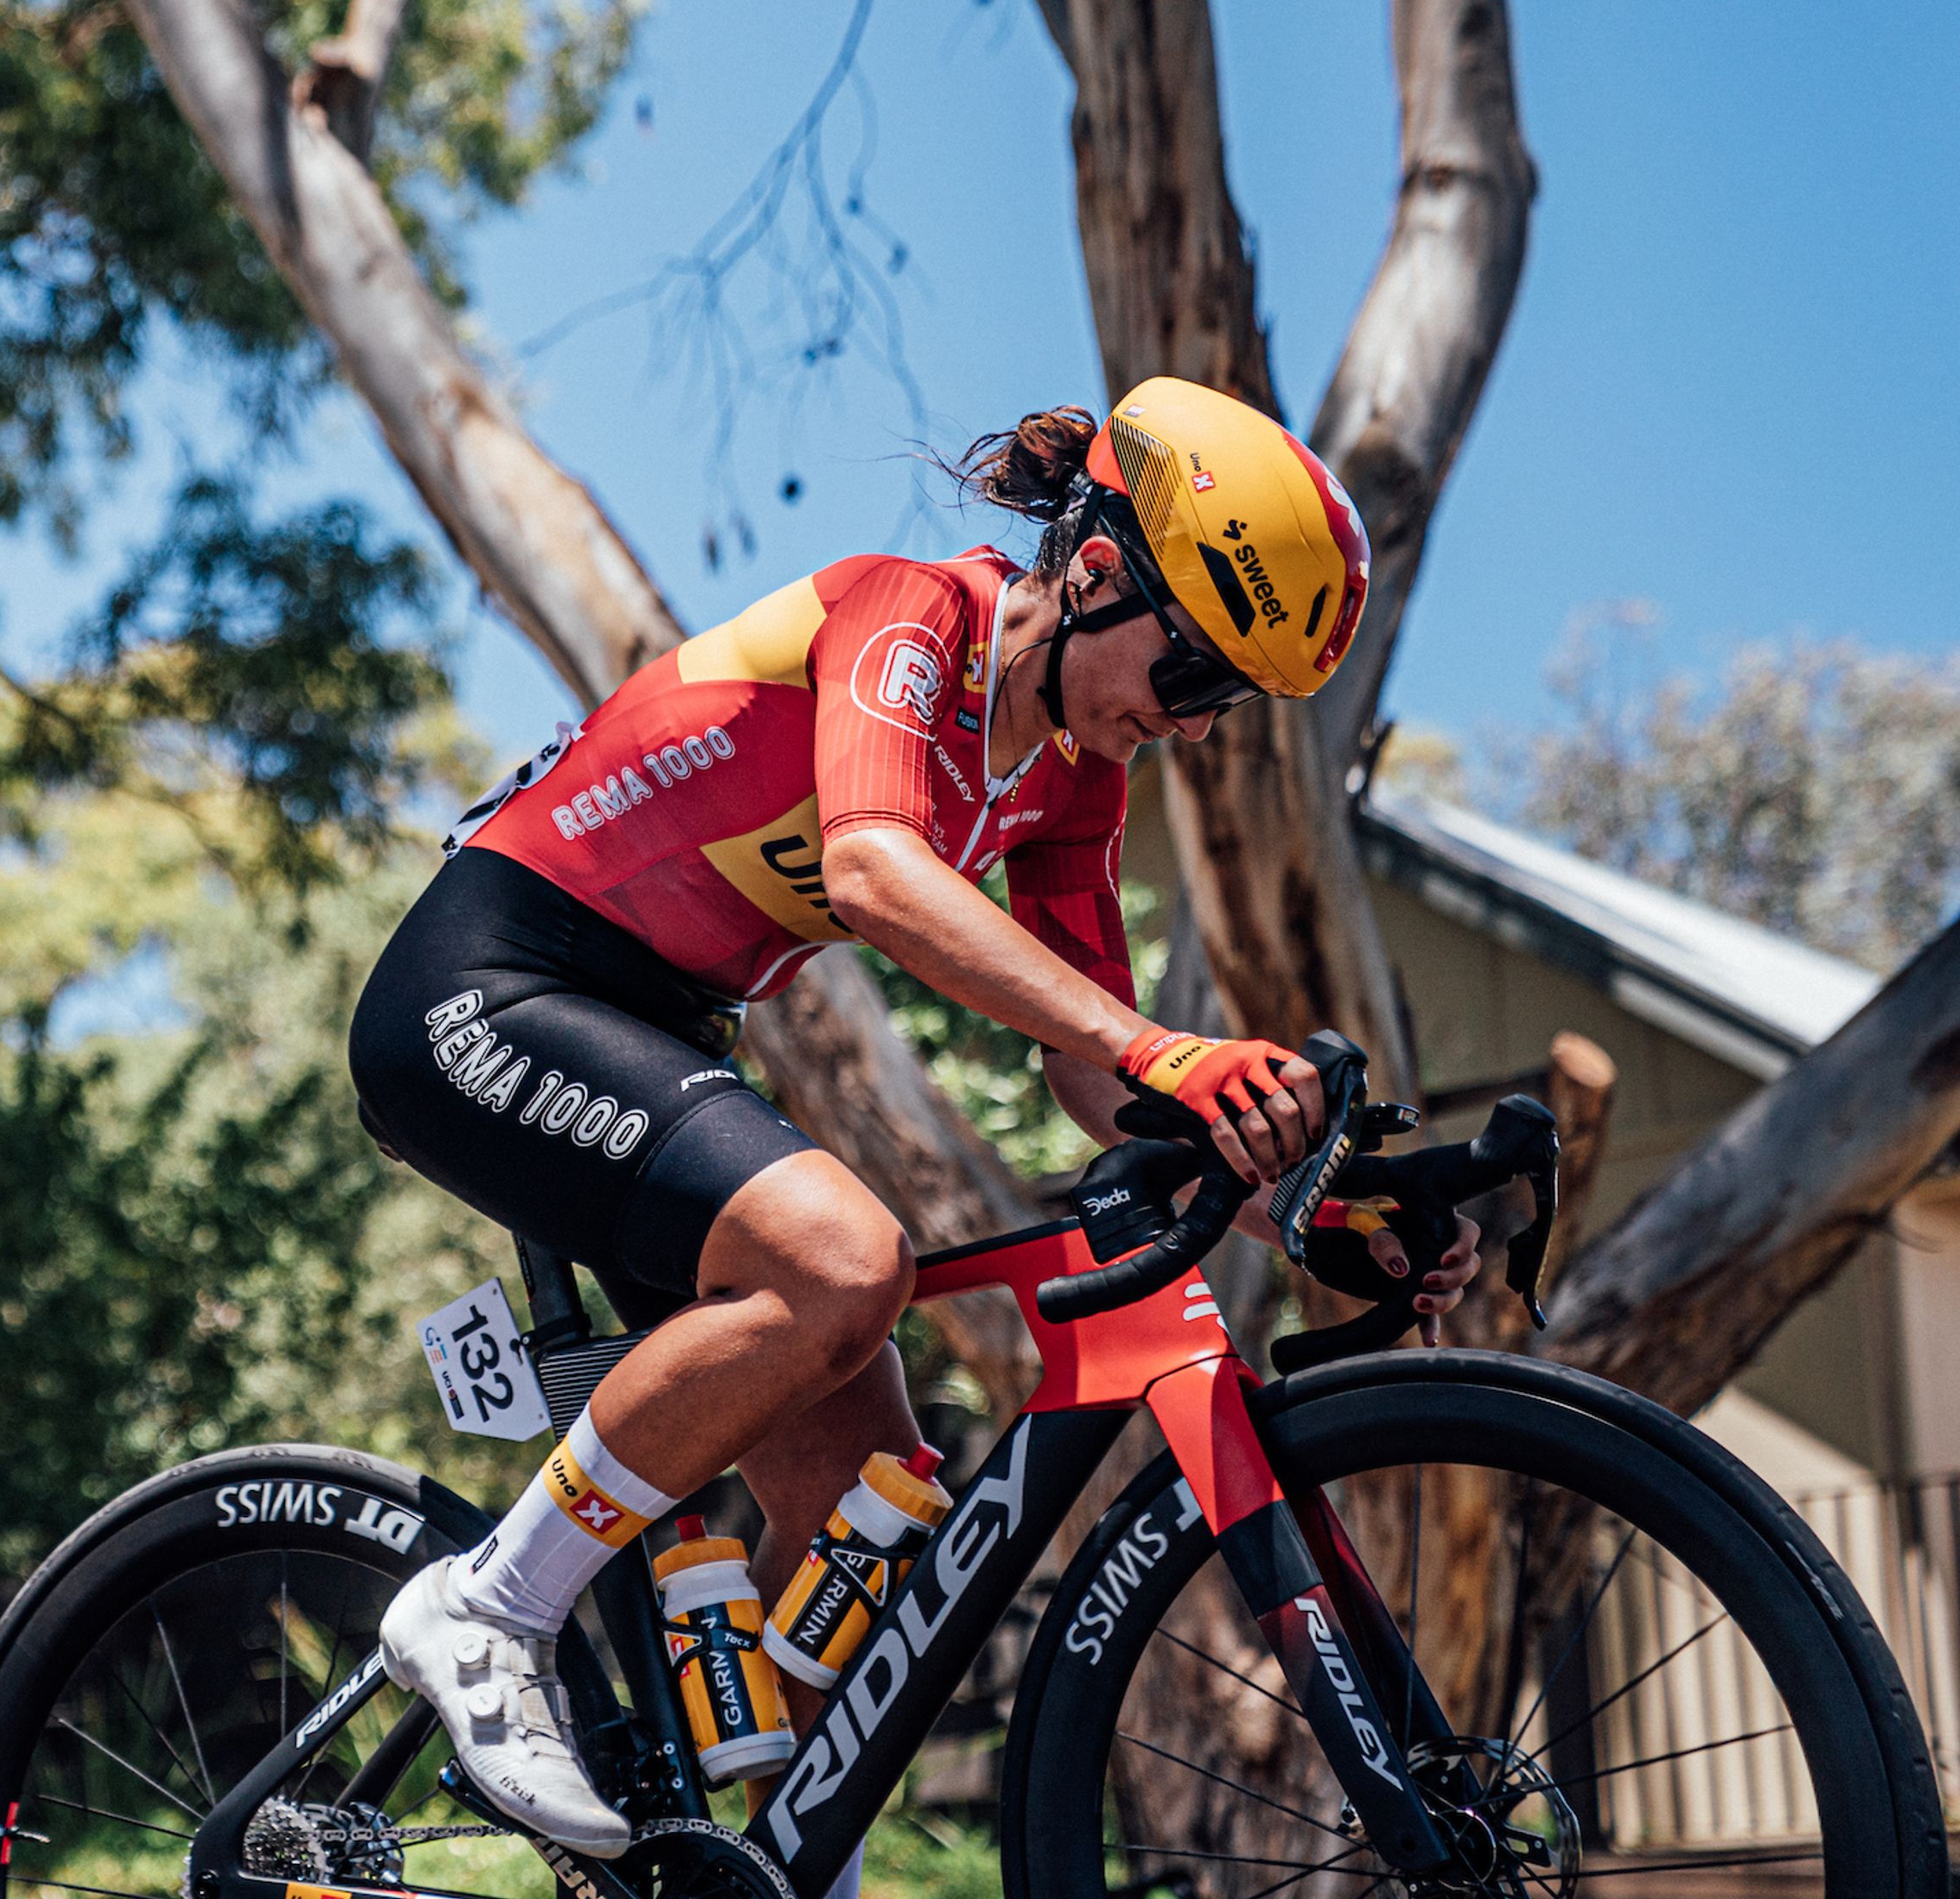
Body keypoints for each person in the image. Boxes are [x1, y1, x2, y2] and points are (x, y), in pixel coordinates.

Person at [349, 379, 1487, 1855]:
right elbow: (878, 869)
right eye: (1197, 678)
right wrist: (1169, 1046)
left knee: (858, 1533)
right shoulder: (907, 617)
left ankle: (754, 1876)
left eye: (1225, 707)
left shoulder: (1075, 775)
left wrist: (1307, 1204)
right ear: (1095, 574)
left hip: (655, 1036)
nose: (1192, 728)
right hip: (490, 986)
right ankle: (487, 1611)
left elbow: (1097, 1078)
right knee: (843, 1262)